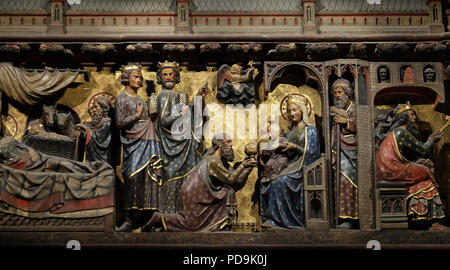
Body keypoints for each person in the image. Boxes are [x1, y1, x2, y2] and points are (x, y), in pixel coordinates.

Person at [0, 117, 114, 218]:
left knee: (64, 163)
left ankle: (93, 169)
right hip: (27, 171)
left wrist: (31, 151)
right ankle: (92, 178)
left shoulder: (8, 139)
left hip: (39, 159)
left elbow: (25, 147)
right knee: (59, 176)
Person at [142, 134, 257, 232]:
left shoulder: (223, 162)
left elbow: (237, 183)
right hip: (195, 197)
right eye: (228, 142)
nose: (231, 145)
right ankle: (159, 218)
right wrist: (242, 165)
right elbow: (231, 179)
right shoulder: (213, 160)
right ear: (219, 144)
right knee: (190, 224)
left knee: (229, 192)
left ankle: (223, 225)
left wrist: (248, 167)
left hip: (207, 196)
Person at [375, 102, 448, 230]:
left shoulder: (394, 133)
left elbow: (399, 158)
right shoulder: (402, 132)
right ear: (404, 118)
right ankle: (434, 221)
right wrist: (431, 139)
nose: (415, 118)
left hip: (388, 168)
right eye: (412, 115)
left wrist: (415, 163)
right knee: (427, 171)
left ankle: (417, 214)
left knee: (421, 172)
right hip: (391, 169)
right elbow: (423, 148)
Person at [260, 94, 320, 229]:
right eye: (289, 111)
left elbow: (313, 153)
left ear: (302, 110)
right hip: (290, 165)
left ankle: (282, 220)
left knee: (279, 182)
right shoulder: (290, 131)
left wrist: (294, 147)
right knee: (268, 180)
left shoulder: (310, 130)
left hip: (304, 168)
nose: (291, 114)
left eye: (294, 110)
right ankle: (271, 218)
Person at [115, 63, 162, 232]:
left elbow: (148, 117)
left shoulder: (141, 99)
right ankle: (129, 219)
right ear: (127, 78)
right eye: (136, 76)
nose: (139, 79)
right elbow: (120, 123)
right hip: (133, 141)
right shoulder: (122, 98)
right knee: (132, 176)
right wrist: (137, 115)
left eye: (140, 77)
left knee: (150, 177)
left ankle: (150, 218)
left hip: (149, 139)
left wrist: (152, 110)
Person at [156, 61, 208, 214]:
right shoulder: (163, 95)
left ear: (176, 75)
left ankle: (187, 213)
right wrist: (180, 114)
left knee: (189, 178)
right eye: (164, 75)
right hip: (170, 144)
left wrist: (198, 97)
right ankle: (168, 215)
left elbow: (190, 113)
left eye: (170, 74)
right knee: (171, 177)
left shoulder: (183, 95)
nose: (168, 77)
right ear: (160, 77)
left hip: (186, 142)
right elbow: (164, 120)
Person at [330, 78, 359, 229]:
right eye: (335, 93)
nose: (337, 96)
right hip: (339, 150)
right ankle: (342, 217)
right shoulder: (336, 108)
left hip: (354, 151)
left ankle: (351, 218)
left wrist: (347, 122)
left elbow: (365, 125)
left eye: (340, 92)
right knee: (338, 182)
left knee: (347, 181)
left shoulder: (355, 108)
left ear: (348, 93)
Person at [75, 96, 113, 164]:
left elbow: (99, 138)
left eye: (96, 107)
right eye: (93, 107)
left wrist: (86, 129)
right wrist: (81, 130)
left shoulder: (107, 122)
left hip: (101, 157)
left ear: (103, 108)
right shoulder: (96, 121)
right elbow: (90, 127)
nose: (94, 110)